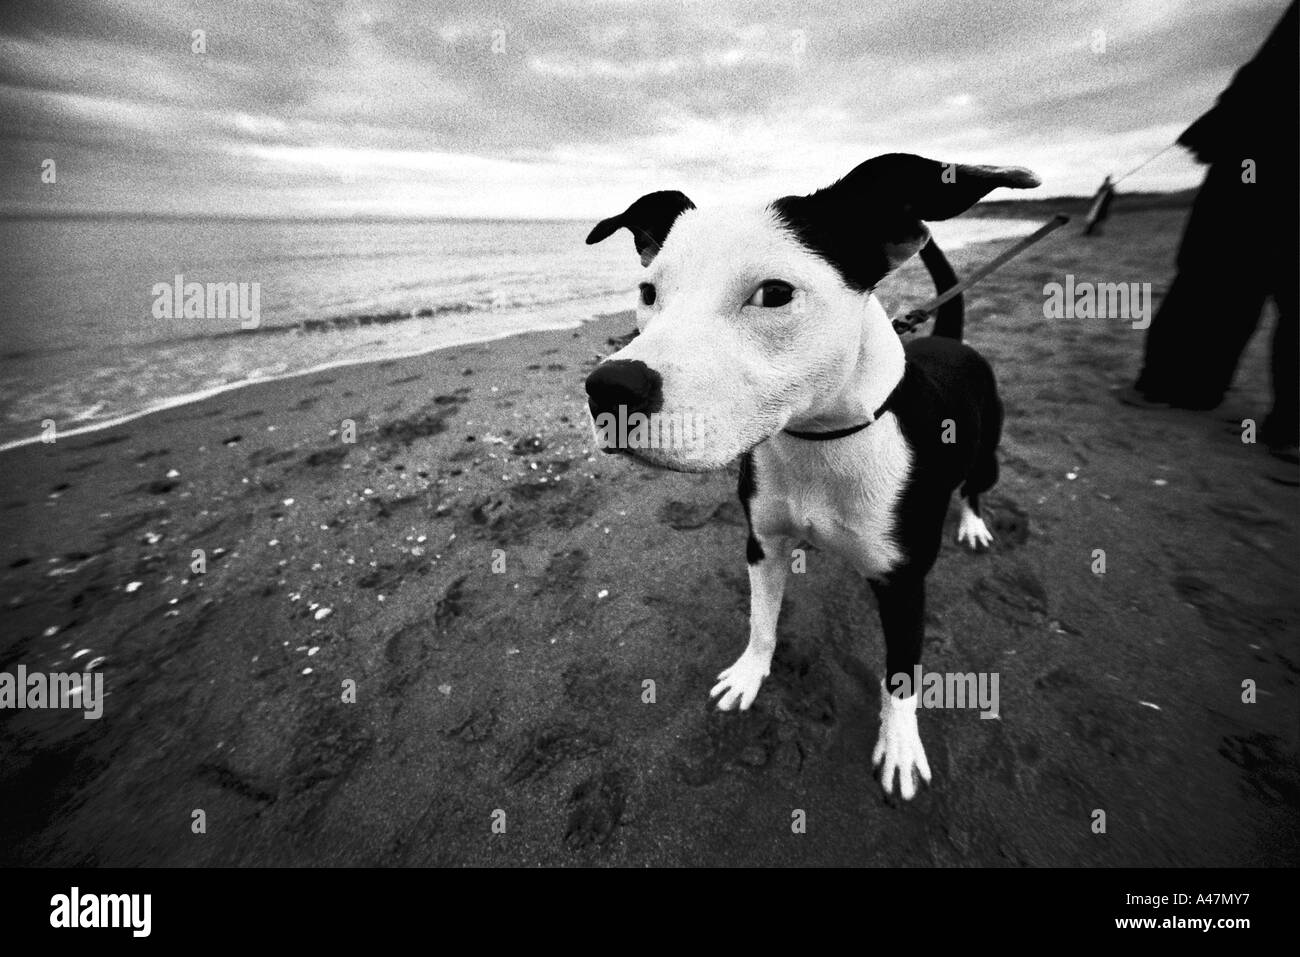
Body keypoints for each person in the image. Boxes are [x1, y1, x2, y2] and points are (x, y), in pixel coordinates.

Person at [1117, 2, 1297, 463]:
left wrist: (1226, 127)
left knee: (1213, 272)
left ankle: (1175, 386)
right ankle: (1191, 389)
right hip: (1255, 151)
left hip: (1258, 157)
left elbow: (1272, 75)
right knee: (1224, 277)